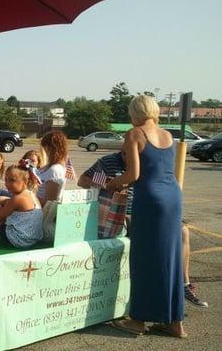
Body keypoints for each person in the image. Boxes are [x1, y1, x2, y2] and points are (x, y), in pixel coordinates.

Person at [78, 151, 208, 308]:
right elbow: (82, 180)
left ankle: (184, 284)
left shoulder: (148, 163)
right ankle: (156, 298)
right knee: (150, 241)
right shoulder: (108, 162)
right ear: (124, 152)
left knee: (182, 232)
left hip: (147, 211)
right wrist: (105, 184)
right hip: (121, 214)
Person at [106, 95, 186, 338]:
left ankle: (138, 320)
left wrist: (114, 183)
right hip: (173, 197)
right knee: (170, 258)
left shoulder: (134, 134)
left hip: (150, 200)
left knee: (143, 258)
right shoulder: (168, 135)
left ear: (135, 113)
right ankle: (174, 322)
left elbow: (133, 174)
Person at [0, 163, 43, 247]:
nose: (7, 184)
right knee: (0, 200)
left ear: (25, 181)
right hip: (33, 238)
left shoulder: (18, 199)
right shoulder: (31, 194)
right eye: (6, 180)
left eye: (12, 180)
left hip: (19, 239)